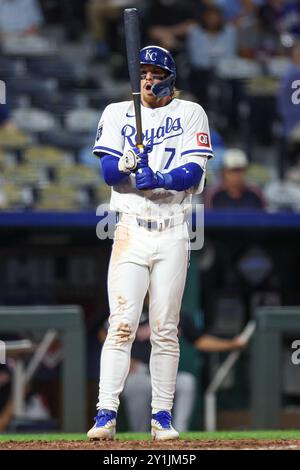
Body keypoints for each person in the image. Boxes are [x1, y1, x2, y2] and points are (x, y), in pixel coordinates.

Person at [87, 45, 213, 441]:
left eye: (155, 73)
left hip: (174, 228)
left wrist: (159, 177)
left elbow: (192, 171)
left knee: (164, 329)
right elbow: (109, 171)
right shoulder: (116, 112)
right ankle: (105, 414)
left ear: (170, 79)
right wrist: (127, 164)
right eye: (142, 72)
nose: (147, 79)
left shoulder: (190, 112)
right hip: (129, 229)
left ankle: (162, 417)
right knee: (121, 325)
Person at [122, 307, 247, 432]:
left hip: (165, 373)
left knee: (187, 382)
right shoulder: (132, 310)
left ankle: (179, 432)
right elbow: (105, 333)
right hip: (139, 372)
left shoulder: (175, 313)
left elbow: (200, 340)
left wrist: (232, 344)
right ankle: (140, 437)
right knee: (137, 384)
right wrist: (125, 360)